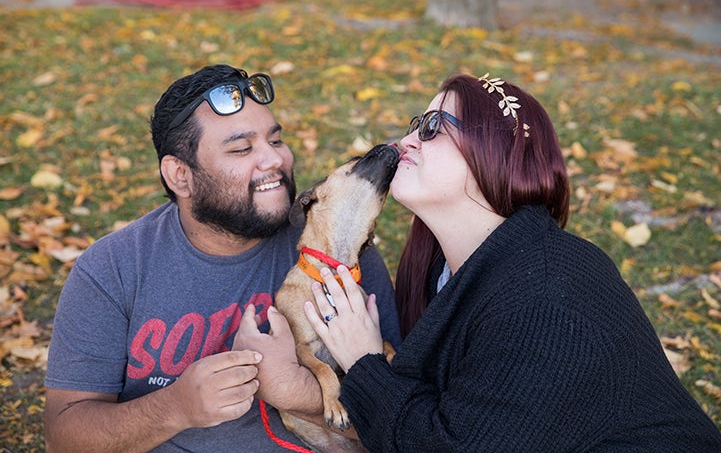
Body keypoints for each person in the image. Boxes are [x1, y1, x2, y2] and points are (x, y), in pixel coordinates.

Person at [304, 73, 721, 452]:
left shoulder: (545, 298)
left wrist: (363, 361)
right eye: (417, 124)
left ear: (492, 154)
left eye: (433, 129)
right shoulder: (446, 269)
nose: (407, 140)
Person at [43, 64, 402, 453]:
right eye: (241, 149)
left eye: (275, 140)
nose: (273, 160)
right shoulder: (113, 269)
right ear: (180, 175)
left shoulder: (335, 253)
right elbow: (65, 439)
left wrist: (300, 394)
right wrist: (177, 408)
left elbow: (405, 425)